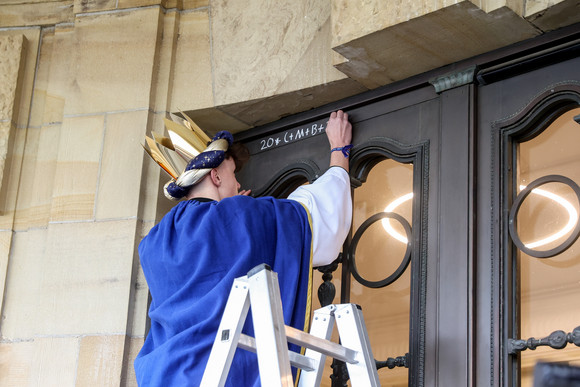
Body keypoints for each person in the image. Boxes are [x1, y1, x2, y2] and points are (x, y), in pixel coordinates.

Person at [135, 110, 353, 386]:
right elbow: (314, 218)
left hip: (161, 375)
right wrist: (339, 151)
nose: (238, 184)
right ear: (215, 176)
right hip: (220, 374)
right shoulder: (236, 217)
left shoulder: (155, 240)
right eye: (233, 174)